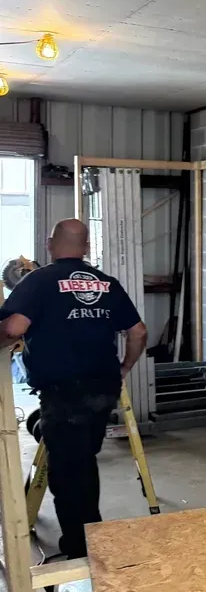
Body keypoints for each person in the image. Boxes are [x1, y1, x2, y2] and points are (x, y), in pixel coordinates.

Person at [0, 219, 147, 559]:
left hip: (63, 390)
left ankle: (82, 551)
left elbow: (14, 327)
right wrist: (125, 367)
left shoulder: (39, 280)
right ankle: (42, 428)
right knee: (80, 455)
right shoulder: (107, 283)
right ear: (85, 247)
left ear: (51, 244)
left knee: (71, 474)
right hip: (103, 387)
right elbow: (138, 331)